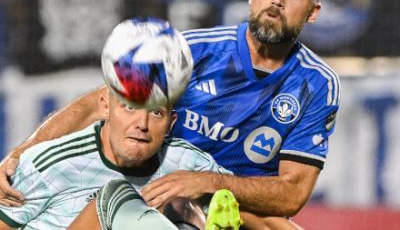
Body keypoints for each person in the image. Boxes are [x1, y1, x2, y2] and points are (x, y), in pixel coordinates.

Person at [0, 0, 340, 228]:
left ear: (313, 12)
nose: (277, 0)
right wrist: (18, 157)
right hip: (151, 193)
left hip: (234, 209)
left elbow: (292, 192)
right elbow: (98, 104)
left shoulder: (316, 84)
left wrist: (204, 182)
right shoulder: (190, 51)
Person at [0, 46, 232, 229]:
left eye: (156, 112)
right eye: (130, 108)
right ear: (105, 106)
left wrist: (213, 185)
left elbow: (262, 220)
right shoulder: (48, 164)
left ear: (171, 123)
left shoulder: (190, 165)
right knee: (116, 198)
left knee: (184, 207)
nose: (141, 125)